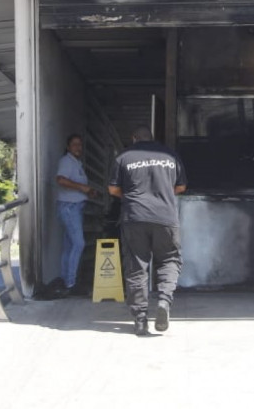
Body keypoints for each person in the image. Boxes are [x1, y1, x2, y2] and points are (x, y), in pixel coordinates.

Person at [108, 126, 187, 336]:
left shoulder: (124, 157)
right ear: (153, 138)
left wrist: (134, 197)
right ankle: (163, 301)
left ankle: (140, 319)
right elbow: (180, 187)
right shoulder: (169, 155)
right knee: (169, 259)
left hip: (135, 217)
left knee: (136, 266)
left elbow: (113, 189)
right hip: (166, 218)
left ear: (134, 138)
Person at [54, 133, 97, 297]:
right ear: (68, 147)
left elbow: (77, 185)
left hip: (74, 206)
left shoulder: (76, 163)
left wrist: (88, 192)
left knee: (69, 246)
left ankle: (66, 280)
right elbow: (61, 180)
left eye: (79, 144)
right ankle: (71, 282)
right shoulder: (66, 161)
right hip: (69, 208)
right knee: (79, 244)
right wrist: (82, 188)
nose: (78, 147)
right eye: (74, 145)